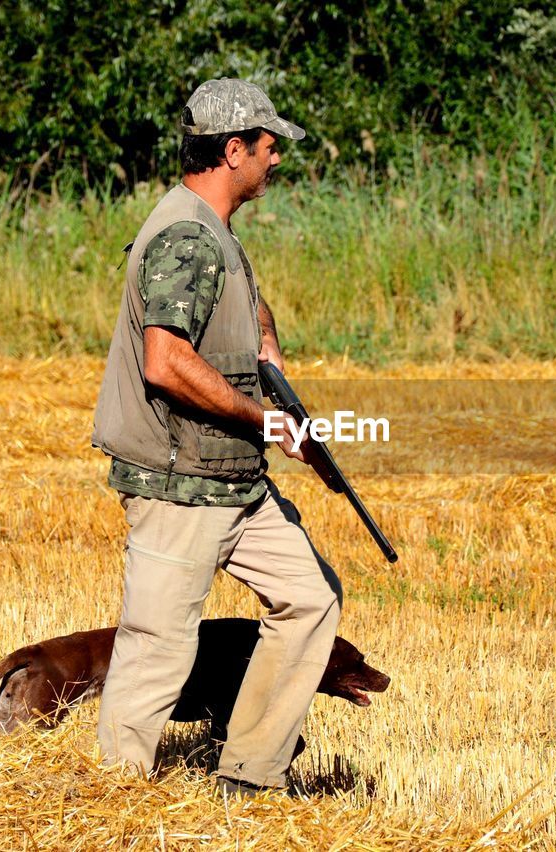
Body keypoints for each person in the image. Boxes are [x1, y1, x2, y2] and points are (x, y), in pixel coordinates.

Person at [91, 78, 341, 797]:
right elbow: (165, 361)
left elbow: (238, 306)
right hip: (179, 483)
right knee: (157, 647)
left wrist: (268, 347)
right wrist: (267, 420)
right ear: (233, 150)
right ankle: (114, 800)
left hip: (234, 481)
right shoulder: (186, 236)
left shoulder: (215, 232)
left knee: (311, 598)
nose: (277, 160)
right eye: (269, 147)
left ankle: (250, 772)